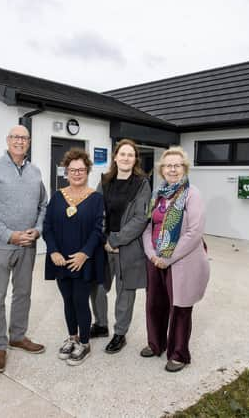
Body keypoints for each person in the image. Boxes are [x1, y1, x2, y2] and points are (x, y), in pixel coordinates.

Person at [0, 125, 47, 373]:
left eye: (24, 138)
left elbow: (43, 206)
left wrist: (37, 230)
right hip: (0, 246)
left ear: (28, 142)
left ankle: (18, 335)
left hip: (28, 245)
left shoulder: (36, 172)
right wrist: (9, 236)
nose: (20, 141)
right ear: (7, 140)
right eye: (15, 137)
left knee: (23, 293)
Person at [141, 146, 210, 372]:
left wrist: (168, 259)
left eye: (177, 165)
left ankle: (178, 353)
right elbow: (147, 227)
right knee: (154, 304)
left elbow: (194, 233)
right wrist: (152, 254)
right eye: (168, 165)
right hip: (155, 260)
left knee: (180, 307)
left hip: (182, 261)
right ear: (162, 169)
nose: (172, 169)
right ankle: (156, 343)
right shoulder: (157, 194)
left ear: (184, 169)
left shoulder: (192, 194)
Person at [43, 148, 105, 366]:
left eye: (81, 169)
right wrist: (53, 251)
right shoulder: (58, 197)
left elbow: (98, 230)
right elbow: (47, 226)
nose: (77, 173)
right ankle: (72, 337)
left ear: (87, 171)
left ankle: (85, 343)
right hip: (60, 260)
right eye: (72, 170)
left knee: (80, 300)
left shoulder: (96, 198)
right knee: (67, 300)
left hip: (83, 262)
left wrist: (84, 254)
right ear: (66, 172)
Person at [90, 139, 151, 354]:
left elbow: (140, 218)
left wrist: (115, 240)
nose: (126, 158)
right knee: (97, 287)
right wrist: (103, 240)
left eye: (130, 154)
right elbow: (96, 211)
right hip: (103, 246)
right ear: (115, 157)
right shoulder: (105, 181)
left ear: (135, 159)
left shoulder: (142, 183)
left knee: (125, 292)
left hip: (129, 248)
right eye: (122, 154)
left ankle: (120, 333)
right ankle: (101, 325)